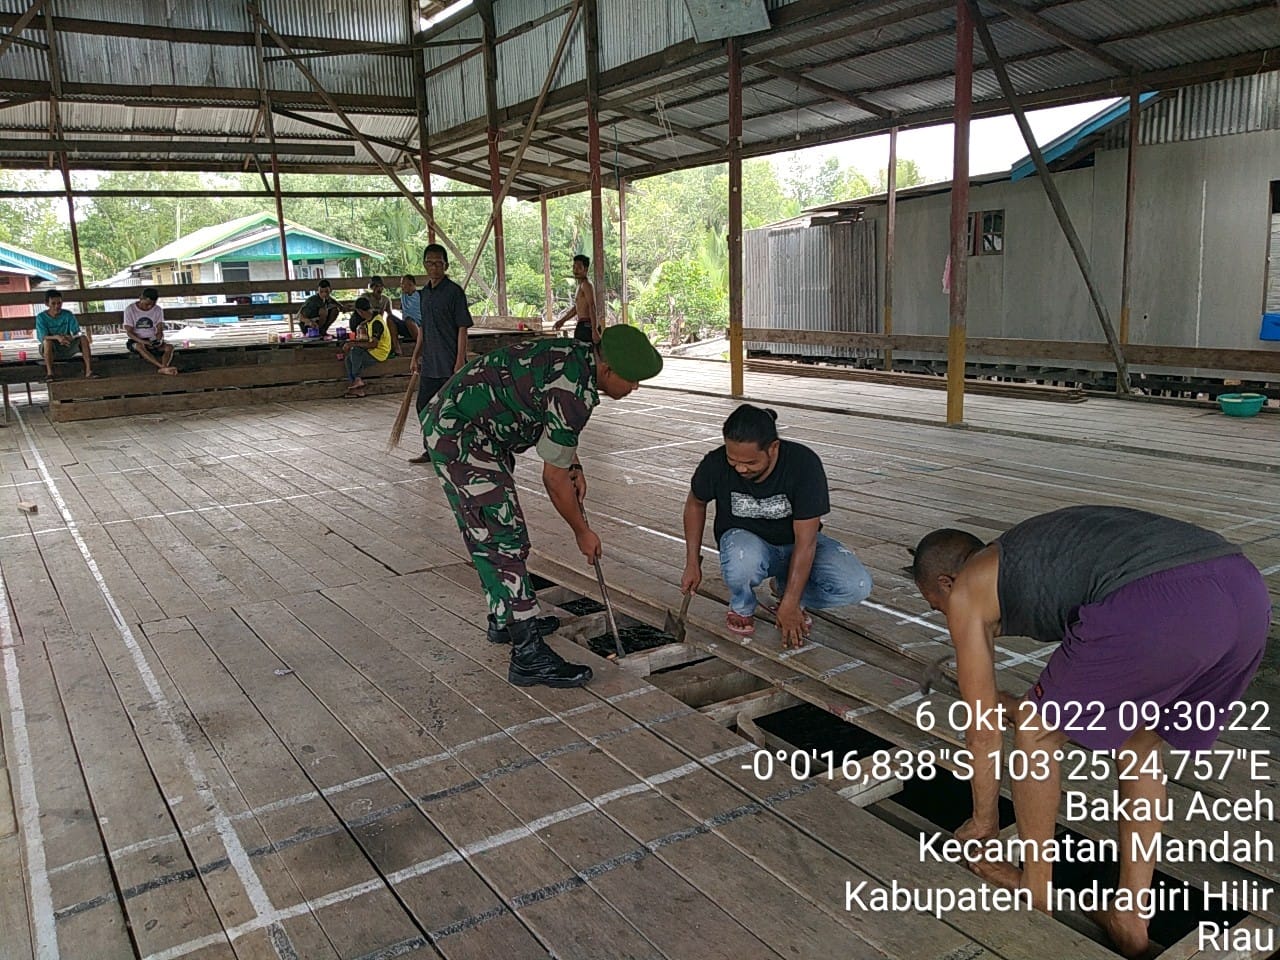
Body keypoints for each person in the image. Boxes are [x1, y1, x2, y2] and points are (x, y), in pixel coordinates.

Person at [908, 506, 1269, 958]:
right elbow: (1112, 680)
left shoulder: (966, 590)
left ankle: (1034, 889)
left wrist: (984, 823)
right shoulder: (1042, 553)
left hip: (1162, 602)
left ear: (946, 583)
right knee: (1141, 747)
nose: (944, 615)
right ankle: (1130, 914)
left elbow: (983, 731)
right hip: (1245, 595)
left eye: (934, 607)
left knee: (1036, 735)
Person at [422, 325, 663, 688]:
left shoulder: (577, 362)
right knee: (503, 538)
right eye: (632, 381)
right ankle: (528, 655)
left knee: (493, 533)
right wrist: (582, 532)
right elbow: (553, 479)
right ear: (608, 370)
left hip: (478, 429)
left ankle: (507, 620)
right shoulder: (574, 388)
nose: (635, 388)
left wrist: (574, 465)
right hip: (462, 436)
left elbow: (556, 427)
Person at [681, 404, 872, 647]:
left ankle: (786, 590)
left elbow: (807, 542)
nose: (740, 468)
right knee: (742, 559)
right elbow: (695, 504)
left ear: (773, 448)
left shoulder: (804, 465)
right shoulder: (715, 463)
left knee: (856, 586)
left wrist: (791, 603)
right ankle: (742, 604)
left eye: (750, 462)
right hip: (747, 545)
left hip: (796, 545)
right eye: (733, 460)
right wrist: (691, 562)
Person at [408, 244, 472, 465]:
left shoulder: (454, 292)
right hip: (430, 362)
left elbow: (463, 327)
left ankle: (455, 450)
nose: (433, 267)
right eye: (429, 263)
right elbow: (423, 328)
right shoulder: (424, 294)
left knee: (451, 408)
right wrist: (416, 354)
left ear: (445, 265)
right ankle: (431, 448)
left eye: (438, 263)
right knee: (424, 406)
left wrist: (459, 361)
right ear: (424, 265)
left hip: (449, 360)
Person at [338, 296, 393, 398]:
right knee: (348, 359)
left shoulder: (377, 322)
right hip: (373, 350)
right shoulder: (370, 320)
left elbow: (374, 344)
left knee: (355, 352)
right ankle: (356, 387)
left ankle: (357, 379)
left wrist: (354, 344)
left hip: (379, 352)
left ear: (359, 311)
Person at [35, 289, 95, 380]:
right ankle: (50, 373)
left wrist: (71, 337)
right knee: (47, 342)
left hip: (67, 344)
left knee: (83, 338)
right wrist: (57, 337)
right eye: (53, 303)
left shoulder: (68, 314)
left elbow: (78, 332)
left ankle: (88, 371)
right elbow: (42, 337)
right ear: (47, 304)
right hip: (51, 347)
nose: (57, 306)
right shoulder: (41, 317)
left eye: (59, 303)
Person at [124, 287, 177, 375]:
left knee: (169, 347)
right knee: (140, 346)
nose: (149, 307)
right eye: (147, 304)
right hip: (137, 340)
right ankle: (162, 367)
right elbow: (129, 332)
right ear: (141, 298)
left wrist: (159, 340)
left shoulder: (158, 309)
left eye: (152, 304)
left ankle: (164, 366)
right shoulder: (130, 309)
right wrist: (144, 342)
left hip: (152, 339)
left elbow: (160, 330)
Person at [551, 254, 599, 343]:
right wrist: (562, 321)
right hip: (581, 324)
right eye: (574, 267)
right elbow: (576, 308)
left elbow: (592, 306)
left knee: (587, 353)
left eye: (579, 267)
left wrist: (594, 330)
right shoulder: (579, 286)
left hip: (587, 325)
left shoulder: (586, 284)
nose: (575, 270)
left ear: (586, 269)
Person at [392, 274, 423, 346]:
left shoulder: (421, 295)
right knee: (390, 318)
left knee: (409, 320)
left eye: (403, 284)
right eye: (401, 284)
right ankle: (396, 347)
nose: (401, 286)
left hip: (419, 326)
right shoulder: (403, 296)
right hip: (406, 325)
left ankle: (422, 345)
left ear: (410, 284)